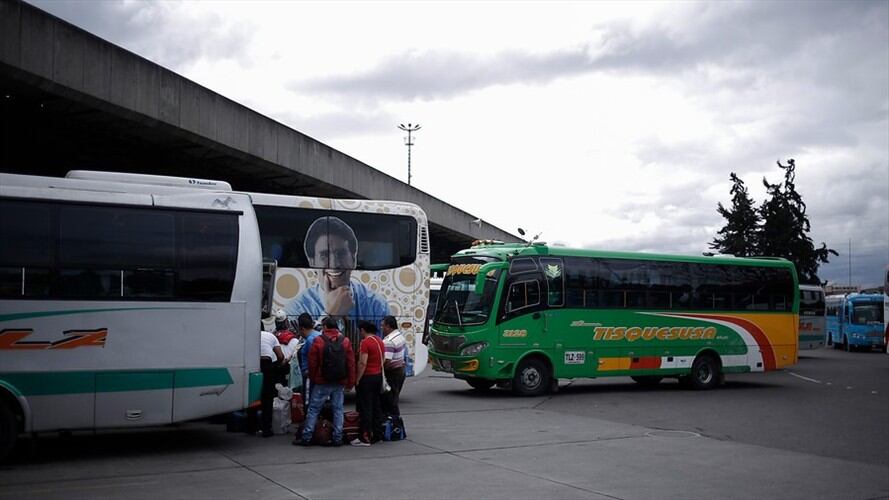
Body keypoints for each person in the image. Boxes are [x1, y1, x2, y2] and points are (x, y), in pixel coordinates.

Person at [284, 216, 388, 328]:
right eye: (324, 255)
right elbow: (298, 346)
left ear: (353, 259)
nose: (334, 264)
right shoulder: (295, 309)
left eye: (341, 253)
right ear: (312, 262)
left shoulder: (377, 305)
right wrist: (330, 316)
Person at [295, 316, 355, 447]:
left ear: (325, 327)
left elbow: (312, 363)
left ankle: (307, 437)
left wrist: (313, 378)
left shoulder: (318, 341)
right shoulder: (345, 341)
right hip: (339, 381)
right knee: (338, 409)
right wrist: (350, 382)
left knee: (314, 409)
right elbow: (350, 363)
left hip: (322, 382)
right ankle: (337, 437)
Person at [351, 320, 385, 446]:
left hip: (367, 377)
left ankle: (364, 437)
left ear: (363, 330)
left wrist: (358, 378)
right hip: (377, 376)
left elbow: (363, 362)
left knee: (366, 407)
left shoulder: (365, 343)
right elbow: (384, 359)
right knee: (376, 406)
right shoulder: (379, 341)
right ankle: (377, 434)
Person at [258, 329, 285, 437]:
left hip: (252, 364)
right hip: (266, 364)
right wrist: (278, 364)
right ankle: (266, 429)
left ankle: (250, 426)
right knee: (267, 397)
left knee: (252, 395)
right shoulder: (271, 336)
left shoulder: (250, 335)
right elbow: (280, 356)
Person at [381, 315, 407, 418]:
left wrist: (382, 371)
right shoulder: (399, 336)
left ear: (388, 326)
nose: (381, 328)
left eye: (383, 326)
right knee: (394, 397)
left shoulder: (389, 341)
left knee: (389, 399)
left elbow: (387, 360)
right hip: (400, 370)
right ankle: (396, 422)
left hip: (392, 372)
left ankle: (394, 421)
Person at [297, 312, 320, 402]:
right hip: (317, 375)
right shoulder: (318, 335)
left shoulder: (310, 340)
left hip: (310, 375)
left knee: (311, 402)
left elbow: (313, 360)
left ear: (302, 329)